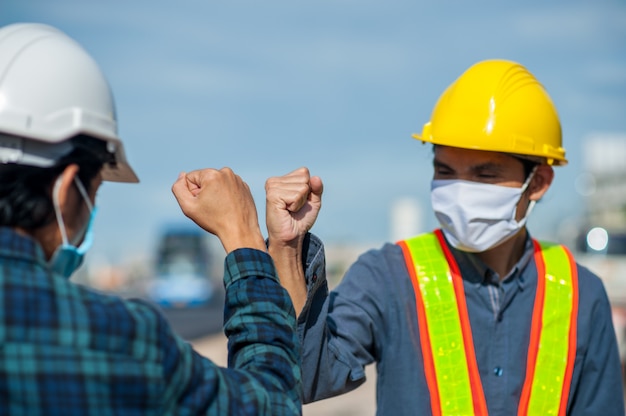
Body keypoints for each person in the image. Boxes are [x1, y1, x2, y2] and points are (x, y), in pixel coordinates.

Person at [265, 60, 625, 414]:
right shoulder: (389, 275)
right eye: (446, 171)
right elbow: (306, 378)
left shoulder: (581, 292)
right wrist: (286, 246)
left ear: (539, 183)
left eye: (485, 175)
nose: (462, 192)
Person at [0, 22, 301, 414]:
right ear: (66, 188)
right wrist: (243, 235)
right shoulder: (123, 340)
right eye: (94, 193)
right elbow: (273, 402)